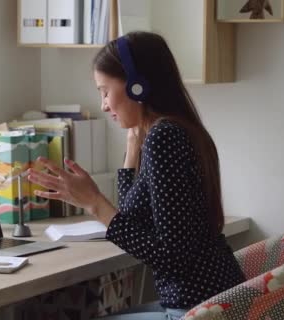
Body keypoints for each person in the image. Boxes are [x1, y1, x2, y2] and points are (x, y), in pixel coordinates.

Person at [27, 32, 245, 320]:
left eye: (105, 91)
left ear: (137, 86)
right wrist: (133, 149)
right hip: (205, 302)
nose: (104, 105)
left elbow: (172, 258)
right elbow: (137, 218)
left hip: (194, 311)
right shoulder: (175, 130)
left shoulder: (165, 136)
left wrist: (94, 202)